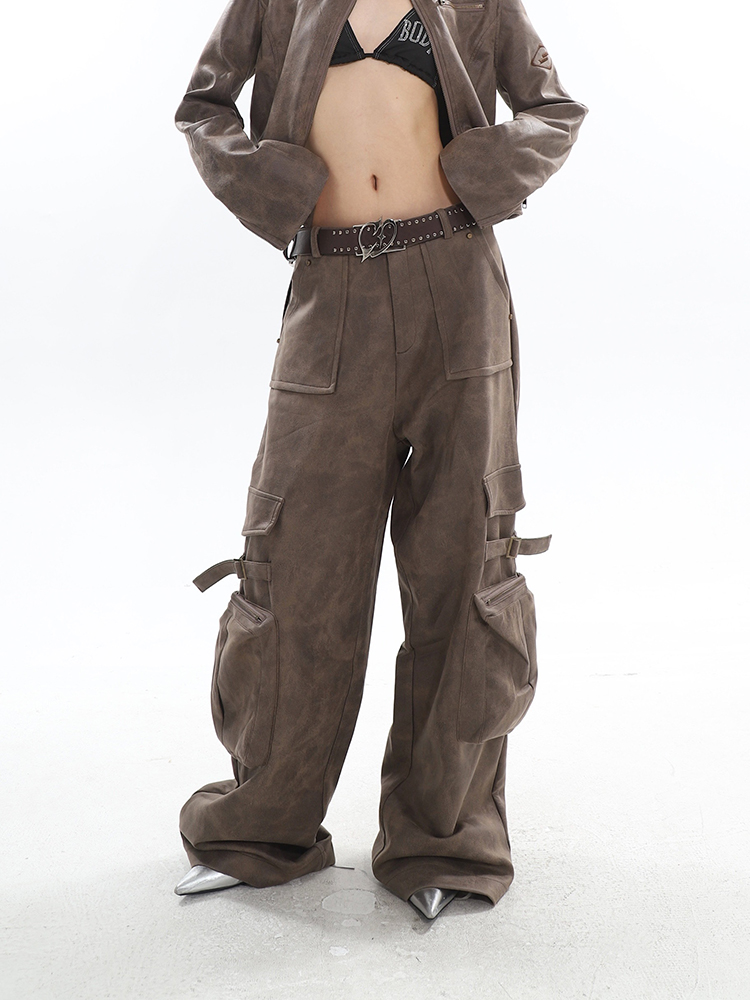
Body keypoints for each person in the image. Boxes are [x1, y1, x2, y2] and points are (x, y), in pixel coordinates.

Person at [172, 0, 588, 920]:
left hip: (458, 288)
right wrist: (276, 189)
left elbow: (553, 108)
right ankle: (261, 827)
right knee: (295, 567)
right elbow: (204, 104)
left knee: (463, 565)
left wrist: (478, 174)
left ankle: (445, 839)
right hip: (330, 290)